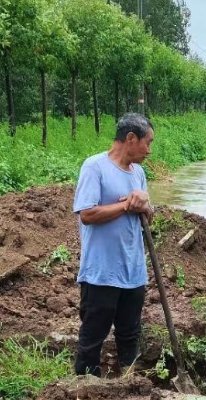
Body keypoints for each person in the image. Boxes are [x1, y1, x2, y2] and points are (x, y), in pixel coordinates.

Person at [73, 113, 155, 377]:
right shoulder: (94, 167)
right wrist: (124, 205)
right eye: (147, 143)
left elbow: (146, 217)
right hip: (101, 273)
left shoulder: (139, 173)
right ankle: (84, 391)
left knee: (130, 335)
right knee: (93, 335)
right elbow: (87, 214)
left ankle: (130, 386)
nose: (149, 150)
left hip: (133, 272)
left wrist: (144, 204)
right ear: (131, 138)